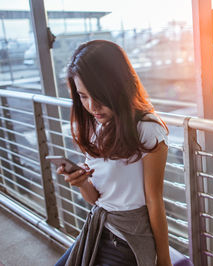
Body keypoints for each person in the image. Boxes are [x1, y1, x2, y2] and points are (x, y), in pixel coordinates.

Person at [55, 40, 172, 266]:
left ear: (119, 86)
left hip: (129, 237)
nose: (92, 107)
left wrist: (164, 260)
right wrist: (81, 184)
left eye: (98, 96)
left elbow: (154, 200)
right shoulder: (98, 128)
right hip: (98, 229)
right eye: (83, 96)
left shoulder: (148, 128)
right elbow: (97, 200)